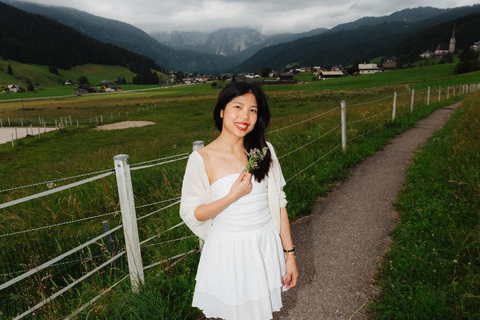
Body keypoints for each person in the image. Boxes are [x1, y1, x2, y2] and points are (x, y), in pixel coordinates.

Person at [180, 81, 298, 320]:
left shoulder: (264, 151)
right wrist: (231, 197)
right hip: (229, 252)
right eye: (238, 106)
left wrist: (290, 255)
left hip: (263, 246)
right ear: (222, 111)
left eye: (253, 110)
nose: (245, 116)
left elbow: (279, 203)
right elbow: (192, 213)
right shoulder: (201, 159)